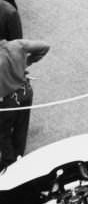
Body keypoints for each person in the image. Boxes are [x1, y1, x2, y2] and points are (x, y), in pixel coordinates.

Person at [0, 38, 50, 170]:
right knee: (21, 127)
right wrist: (27, 62)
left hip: (7, 102)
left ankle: (8, 165)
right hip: (25, 93)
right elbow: (44, 46)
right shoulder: (17, 45)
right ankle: (18, 157)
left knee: (3, 134)